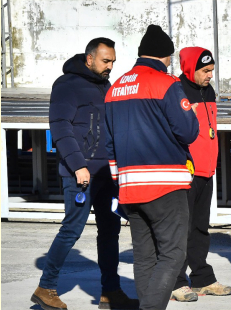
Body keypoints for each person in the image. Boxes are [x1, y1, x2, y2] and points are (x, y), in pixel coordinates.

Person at [33, 37, 139, 310]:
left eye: (113, 61)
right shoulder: (67, 85)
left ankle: (110, 291)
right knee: (72, 230)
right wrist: (78, 165)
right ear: (89, 58)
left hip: (106, 173)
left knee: (110, 232)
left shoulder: (106, 86)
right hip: (79, 174)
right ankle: (46, 287)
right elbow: (60, 127)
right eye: (106, 61)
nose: (110, 66)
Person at [105, 24, 199, 310]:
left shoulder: (115, 88)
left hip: (129, 185)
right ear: (167, 57)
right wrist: (192, 116)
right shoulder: (167, 84)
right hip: (165, 182)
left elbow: (108, 144)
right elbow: (187, 132)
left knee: (144, 257)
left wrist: (118, 183)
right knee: (172, 254)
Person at [169, 46, 231, 302]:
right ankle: (175, 280)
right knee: (180, 228)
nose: (209, 76)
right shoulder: (176, 90)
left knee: (200, 228)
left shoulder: (209, 91)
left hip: (206, 169)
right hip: (186, 171)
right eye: (205, 71)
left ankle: (202, 279)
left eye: (211, 71)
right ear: (189, 68)